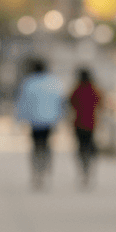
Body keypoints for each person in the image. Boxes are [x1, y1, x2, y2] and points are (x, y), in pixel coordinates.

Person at [14, 58, 63, 189]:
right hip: (49, 121)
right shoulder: (53, 82)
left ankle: (36, 172)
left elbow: (22, 103)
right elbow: (59, 102)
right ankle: (45, 169)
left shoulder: (28, 82)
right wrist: (59, 118)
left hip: (35, 121)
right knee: (46, 146)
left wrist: (19, 120)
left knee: (36, 147)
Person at [68, 67, 102, 187]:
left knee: (81, 147)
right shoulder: (94, 90)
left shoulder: (76, 90)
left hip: (79, 123)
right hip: (91, 123)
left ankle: (83, 169)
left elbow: (71, 104)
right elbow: (100, 104)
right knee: (90, 145)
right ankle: (88, 169)